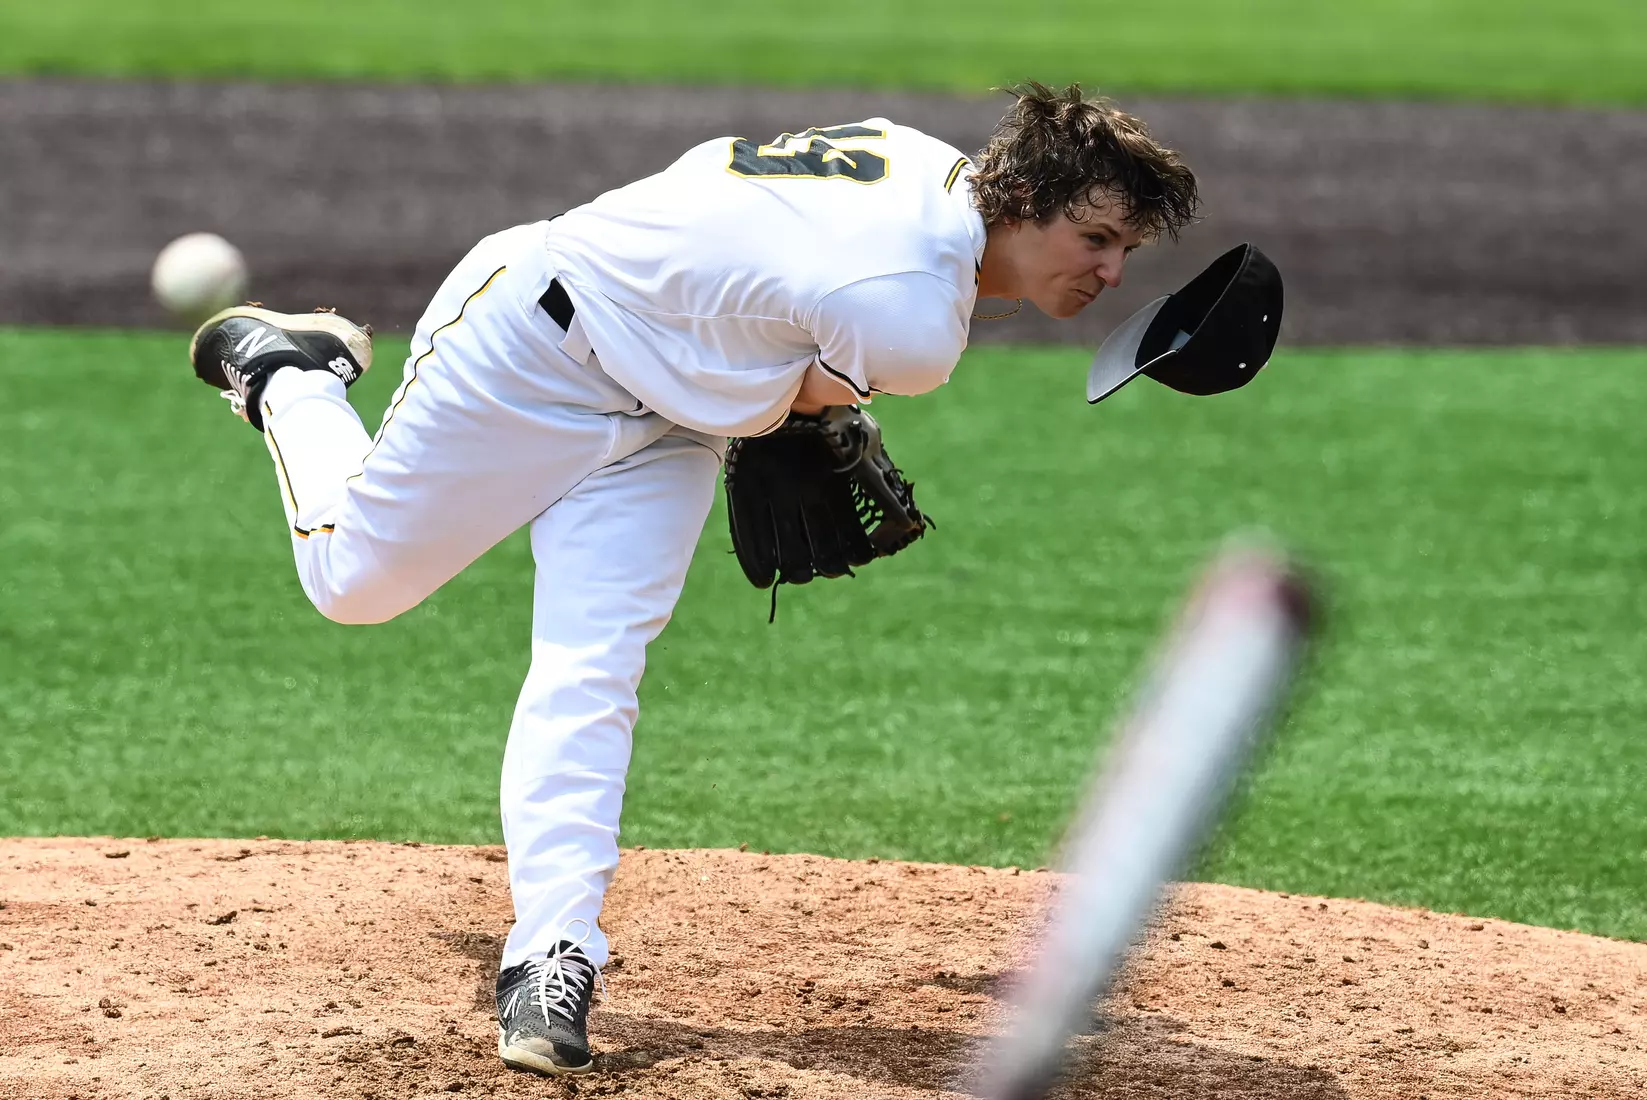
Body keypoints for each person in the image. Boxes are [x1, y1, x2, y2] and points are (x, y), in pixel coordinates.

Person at [184, 81, 1199, 1076]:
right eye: (1096, 239)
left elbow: (775, 304)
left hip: (672, 418)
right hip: (532, 346)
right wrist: (816, 408)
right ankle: (293, 372)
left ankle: (553, 953)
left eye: (1125, 250)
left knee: (592, 659)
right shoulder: (912, 325)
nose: (1110, 271)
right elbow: (804, 385)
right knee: (350, 580)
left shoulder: (929, 163)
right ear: (1020, 205)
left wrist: (795, 400)